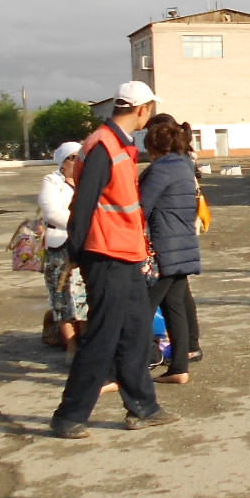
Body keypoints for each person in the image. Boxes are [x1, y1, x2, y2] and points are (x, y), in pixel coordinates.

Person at [49, 80, 180, 439]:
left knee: (135, 333)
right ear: (142, 110)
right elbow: (83, 204)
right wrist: (76, 253)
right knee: (103, 337)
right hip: (106, 255)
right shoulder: (104, 146)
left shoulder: (116, 144)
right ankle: (69, 416)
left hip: (124, 253)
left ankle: (143, 407)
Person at [140, 114, 202, 384]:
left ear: (153, 147)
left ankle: (137, 363)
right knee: (174, 306)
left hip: (164, 248)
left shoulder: (161, 170)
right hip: (182, 245)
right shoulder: (184, 165)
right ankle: (179, 366)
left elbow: (141, 207)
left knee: (142, 308)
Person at [39, 141, 86, 353]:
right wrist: (81, 224)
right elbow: (52, 212)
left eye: (81, 157)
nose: (78, 161)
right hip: (60, 245)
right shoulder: (52, 181)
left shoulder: (87, 180)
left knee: (84, 295)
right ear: (63, 162)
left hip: (85, 244)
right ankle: (72, 347)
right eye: (73, 158)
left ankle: (86, 342)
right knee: (62, 297)